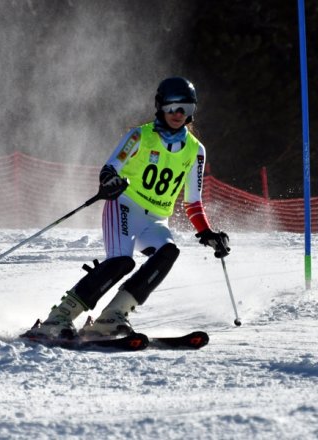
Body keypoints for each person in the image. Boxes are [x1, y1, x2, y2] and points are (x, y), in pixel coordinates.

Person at [24, 77, 230, 340]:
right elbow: (110, 167)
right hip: (124, 206)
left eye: (185, 109)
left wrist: (207, 233)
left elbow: (193, 202)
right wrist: (110, 181)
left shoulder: (195, 151)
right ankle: (59, 318)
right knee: (121, 262)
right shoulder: (140, 136)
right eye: (171, 107)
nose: (177, 114)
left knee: (168, 252)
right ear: (160, 107)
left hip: (156, 218)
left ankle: (113, 316)